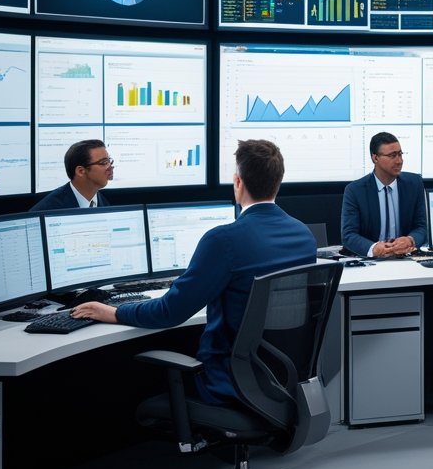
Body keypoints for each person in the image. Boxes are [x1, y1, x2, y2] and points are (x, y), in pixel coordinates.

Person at [71, 139, 314, 404]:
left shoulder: (224, 239)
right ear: (278, 181)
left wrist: (113, 312)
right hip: (280, 375)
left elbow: (169, 312)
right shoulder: (303, 234)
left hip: (228, 379)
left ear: (238, 182)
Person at [340, 132, 427, 258]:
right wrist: (373, 248)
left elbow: (422, 227)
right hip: (371, 261)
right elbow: (348, 235)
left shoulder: (414, 183)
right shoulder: (355, 191)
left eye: (400, 154)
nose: (399, 161)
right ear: (375, 158)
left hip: (406, 258)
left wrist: (410, 240)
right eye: (392, 156)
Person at [30, 139, 113, 211]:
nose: (110, 167)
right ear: (81, 171)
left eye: (109, 161)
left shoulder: (103, 203)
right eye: (104, 162)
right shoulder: (47, 210)